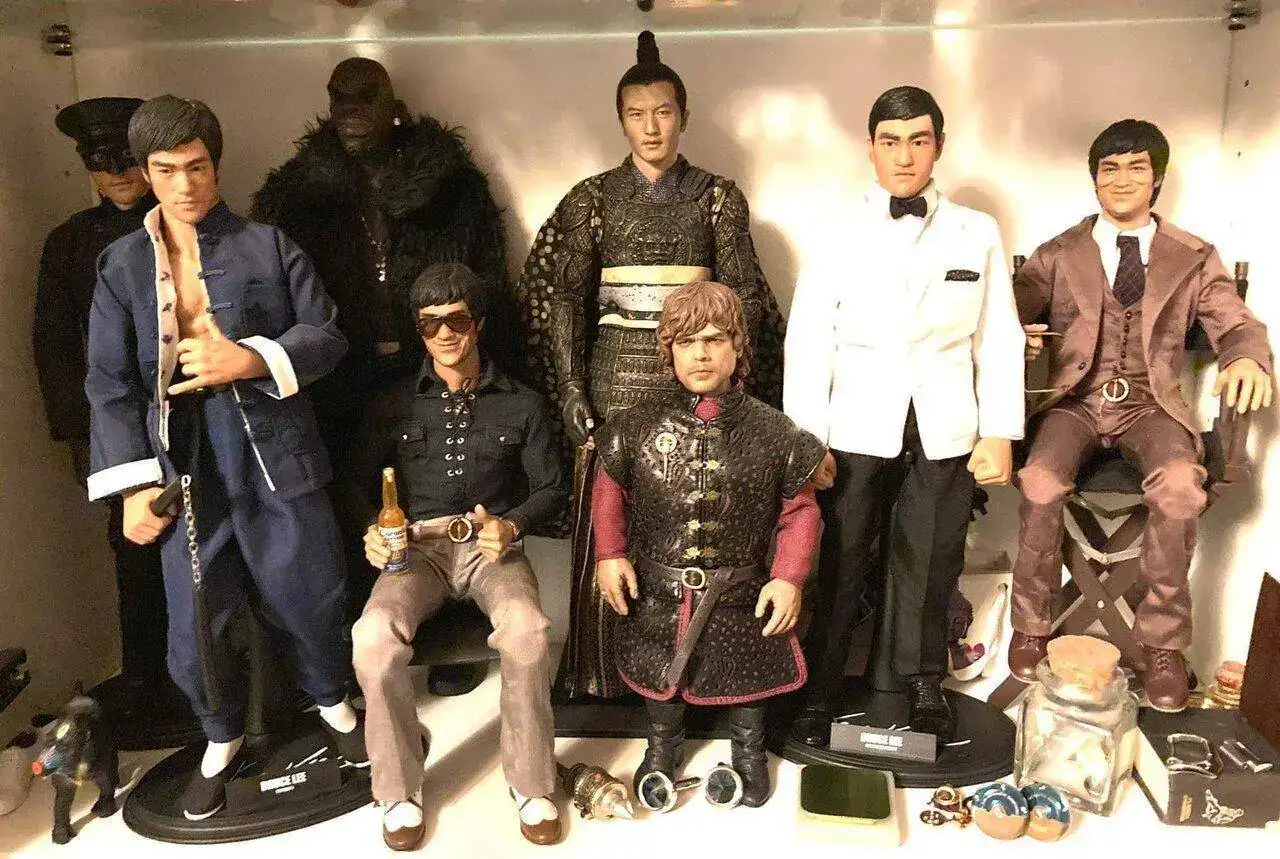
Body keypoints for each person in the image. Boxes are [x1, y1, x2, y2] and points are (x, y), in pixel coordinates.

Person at [85, 95, 365, 820]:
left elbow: (326, 334)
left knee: (309, 582)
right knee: (195, 611)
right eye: (166, 169)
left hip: (272, 441)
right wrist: (131, 489)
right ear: (146, 172)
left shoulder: (268, 246)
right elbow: (108, 383)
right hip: (180, 459)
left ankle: (334, 702)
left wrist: (250, 358)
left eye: (198, 166)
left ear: (216, 164)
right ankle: (219, 733)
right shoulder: (121, 266)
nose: (185, 185)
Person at [515, 31, 789, 699]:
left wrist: (730, 388)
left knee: (691, 532)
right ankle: (604, 677)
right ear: (620, 120)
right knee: (609, 531)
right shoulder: (592, 199)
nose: (651, 127)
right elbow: (565, 301)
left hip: (693, 383)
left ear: (683, 115)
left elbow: (743, 298)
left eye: (663, 111)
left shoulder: (717, 198)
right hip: (612, 385)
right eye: (636, 114)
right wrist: (571, 388)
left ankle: (696, 675)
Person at [784, 86, 1025, 744]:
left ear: (938, 147)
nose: (904, 155)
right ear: (870, 148)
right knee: (839, 558)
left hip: (944, 424)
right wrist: (805, 443)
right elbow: (809, 338)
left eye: (918, 141)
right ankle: (818, 686)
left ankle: (921, 684)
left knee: (932, 559)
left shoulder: (976, 231)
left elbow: (998, 337)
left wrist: (1000, 429)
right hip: (853, 425)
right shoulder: (836, 229)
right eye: (890, 141)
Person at [1009, 119, 1272, 712]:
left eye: (1136, 167)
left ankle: (1162, 646)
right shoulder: (1058, 253)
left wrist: (1245, 357)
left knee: (1179, 487)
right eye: (1109, 168)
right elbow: (1003, 316)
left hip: (1152, 407)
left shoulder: (1193, 256)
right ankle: (1030, 624)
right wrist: (1017, 336)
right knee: (1041, 480)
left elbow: (1235, 322)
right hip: (1074, 403)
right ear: (1094, 179)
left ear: (1157, 179)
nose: (1122, 179)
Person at [349, 263, 568, 849]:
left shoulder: (522, 403)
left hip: (490, 547)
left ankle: (531, 783)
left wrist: (512, 525)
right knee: (372, 637)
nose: (445, 334)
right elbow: (354, 482)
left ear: (479, 324)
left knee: (527, 631)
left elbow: (552, 486)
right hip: (414, 550)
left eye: (458, 320)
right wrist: (372, 530)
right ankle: (398, 789)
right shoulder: (393, 403)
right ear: (417, 330)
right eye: (430, 323)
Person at [593, 281, 825, 807]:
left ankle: (749, 751)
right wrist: (610, 554)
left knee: (749, 673)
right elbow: (609, 492)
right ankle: (662, 748)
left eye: (715, 339)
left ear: (737, 347)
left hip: (743, 594)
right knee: (660, 670)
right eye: (686, 341)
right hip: (659, 591)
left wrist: (788, 578)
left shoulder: (775, 433)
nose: (700, 354)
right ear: (668, 350)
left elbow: (801, 512)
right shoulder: (634, 427)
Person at [32, 97, 168, 693]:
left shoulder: (184, 224)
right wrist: (79, 437)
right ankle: (147, 679)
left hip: (184, 406)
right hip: (116, 423)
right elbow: (55, 345)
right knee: (133, 549)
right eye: (98, 159)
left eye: (125, 158)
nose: (115, 173)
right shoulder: (69, 243)